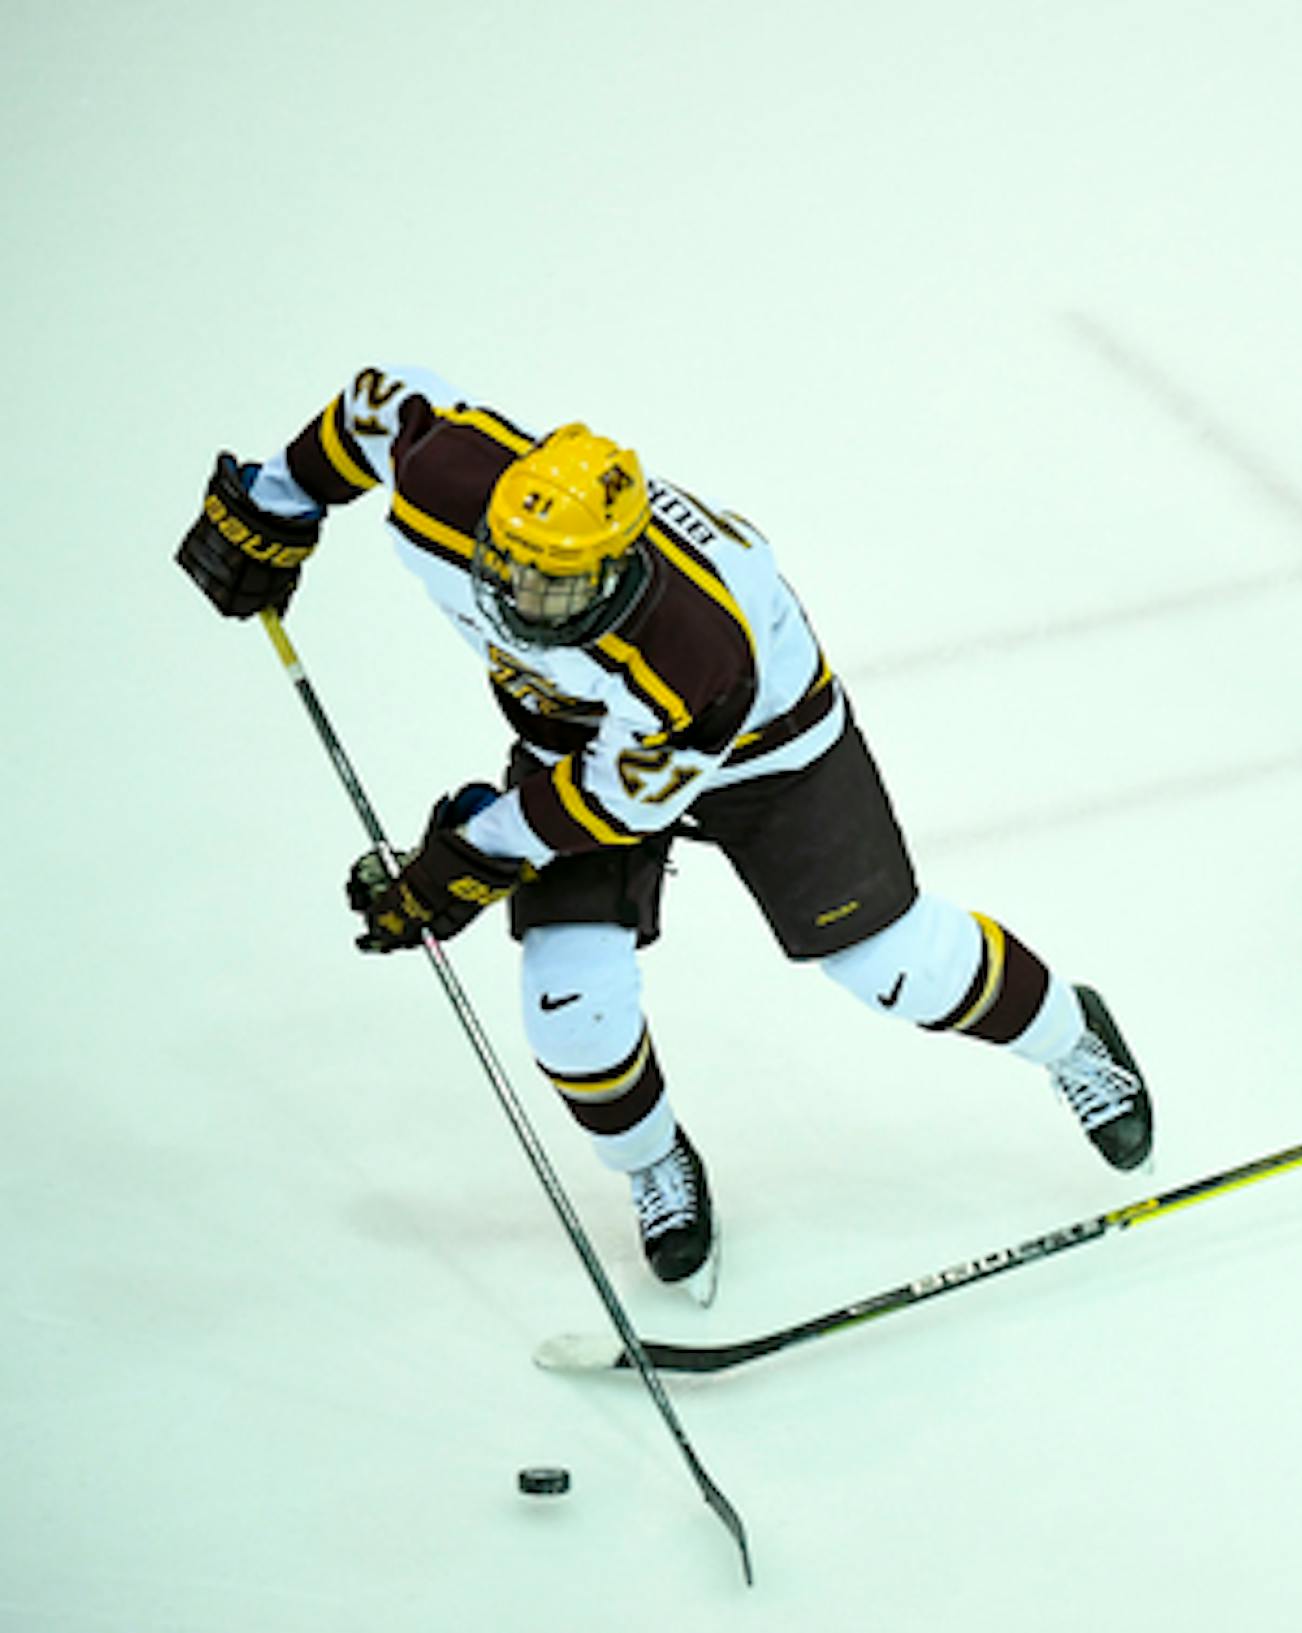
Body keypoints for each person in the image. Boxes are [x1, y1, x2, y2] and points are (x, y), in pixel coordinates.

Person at [176, 374, 1153, 1301]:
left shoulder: (695, 652)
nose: (522, 599)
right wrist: (280, 498)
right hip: (582, 742)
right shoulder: (456, 481)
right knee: (568, 1006)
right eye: (512, 567)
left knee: (890, 964)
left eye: (558, 587)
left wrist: (468, 853)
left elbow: (607, 806)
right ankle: (654, 1164)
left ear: (618, 566)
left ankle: (1073, 1037)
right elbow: (376, 401)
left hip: (769, 755)